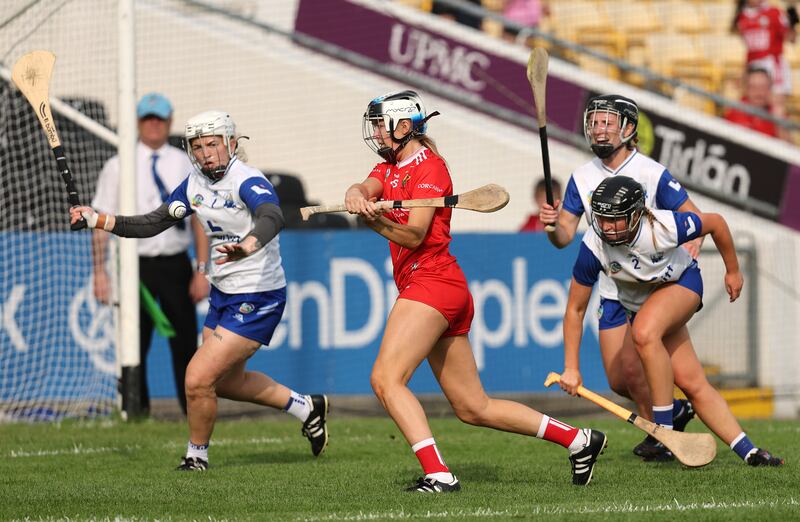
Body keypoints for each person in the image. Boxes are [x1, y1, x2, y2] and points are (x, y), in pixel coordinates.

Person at [344, 90, 607, 491]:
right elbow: (366, 186)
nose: (376, 132)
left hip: (432, 280)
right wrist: (357, 196)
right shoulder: (388, 167)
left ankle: (438, 473)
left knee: (385, 379)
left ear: (403, 125)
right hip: (436, 286)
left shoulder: (430, 168)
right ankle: (579, 440)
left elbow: (414, 235)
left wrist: (373, 222)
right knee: (473, 407)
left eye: (381, 124)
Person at [72, 110, 329, 470]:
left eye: (212, 144)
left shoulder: (246, 179)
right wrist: (98, 218)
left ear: (231, 144)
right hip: (223, 293)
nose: (206, 152)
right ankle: (306, 406)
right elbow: (152, 223)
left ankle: (196, 456)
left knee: (197, 377)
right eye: (198, 145)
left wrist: (250, 244)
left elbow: (272, 215)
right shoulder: (194, 184)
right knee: (224, 383)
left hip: (258, 294)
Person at [559, 175, 784, 468]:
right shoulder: (593, 247)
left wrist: (732, 270)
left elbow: (715, 222)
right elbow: (575, 309)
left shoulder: (663, 226)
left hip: (682, 283)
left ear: (638, 214)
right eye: (602, 219)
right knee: (693, 383)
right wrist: (571, 367)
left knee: (644, 332)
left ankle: (664, 430)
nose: (607, 228)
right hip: (643, 305)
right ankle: (750, 451)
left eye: (616, 220)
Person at [539, 94, 701, 461]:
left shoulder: (650, 171)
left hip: (651, 284)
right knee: (618, 380)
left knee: (636, 363)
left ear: (628, 128)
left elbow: (693, 215)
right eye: (595, 122)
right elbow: (564, 236)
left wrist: (693, 244)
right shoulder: (582, 177)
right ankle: (671, 413)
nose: (599, 128)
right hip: (613, 284)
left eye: (607, 122)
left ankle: (661, 432)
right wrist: (551, 226)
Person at [91, 92, 209, 415]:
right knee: (134, 340)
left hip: (174, 263)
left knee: (185, 342)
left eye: (160, 119)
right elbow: (101, 220)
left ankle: (193, 411)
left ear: (169, 121)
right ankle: (136, 411)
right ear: (138, 123)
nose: (154, 125)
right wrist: (100, 271)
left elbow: (200, 219)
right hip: (133, 265)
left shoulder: (186, 163)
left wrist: (201, 270)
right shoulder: (118, 164)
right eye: (148, 119)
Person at [733, 0, 797, 124]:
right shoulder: (742, 17)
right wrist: (744, 73)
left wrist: (793, 20)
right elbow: (750, 49)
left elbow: (791, 38)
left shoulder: (774, 13)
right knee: (750, 109)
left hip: (773, 67)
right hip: (753, 69)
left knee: (776, 108)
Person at [724, 66, 779, 139]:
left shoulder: (776, 113)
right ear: (746, 89)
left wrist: (778, 117)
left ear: (770, 89)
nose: (759, 92)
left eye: (763, 87)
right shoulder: (735, 113)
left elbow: (789, 147)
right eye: (753, 87)